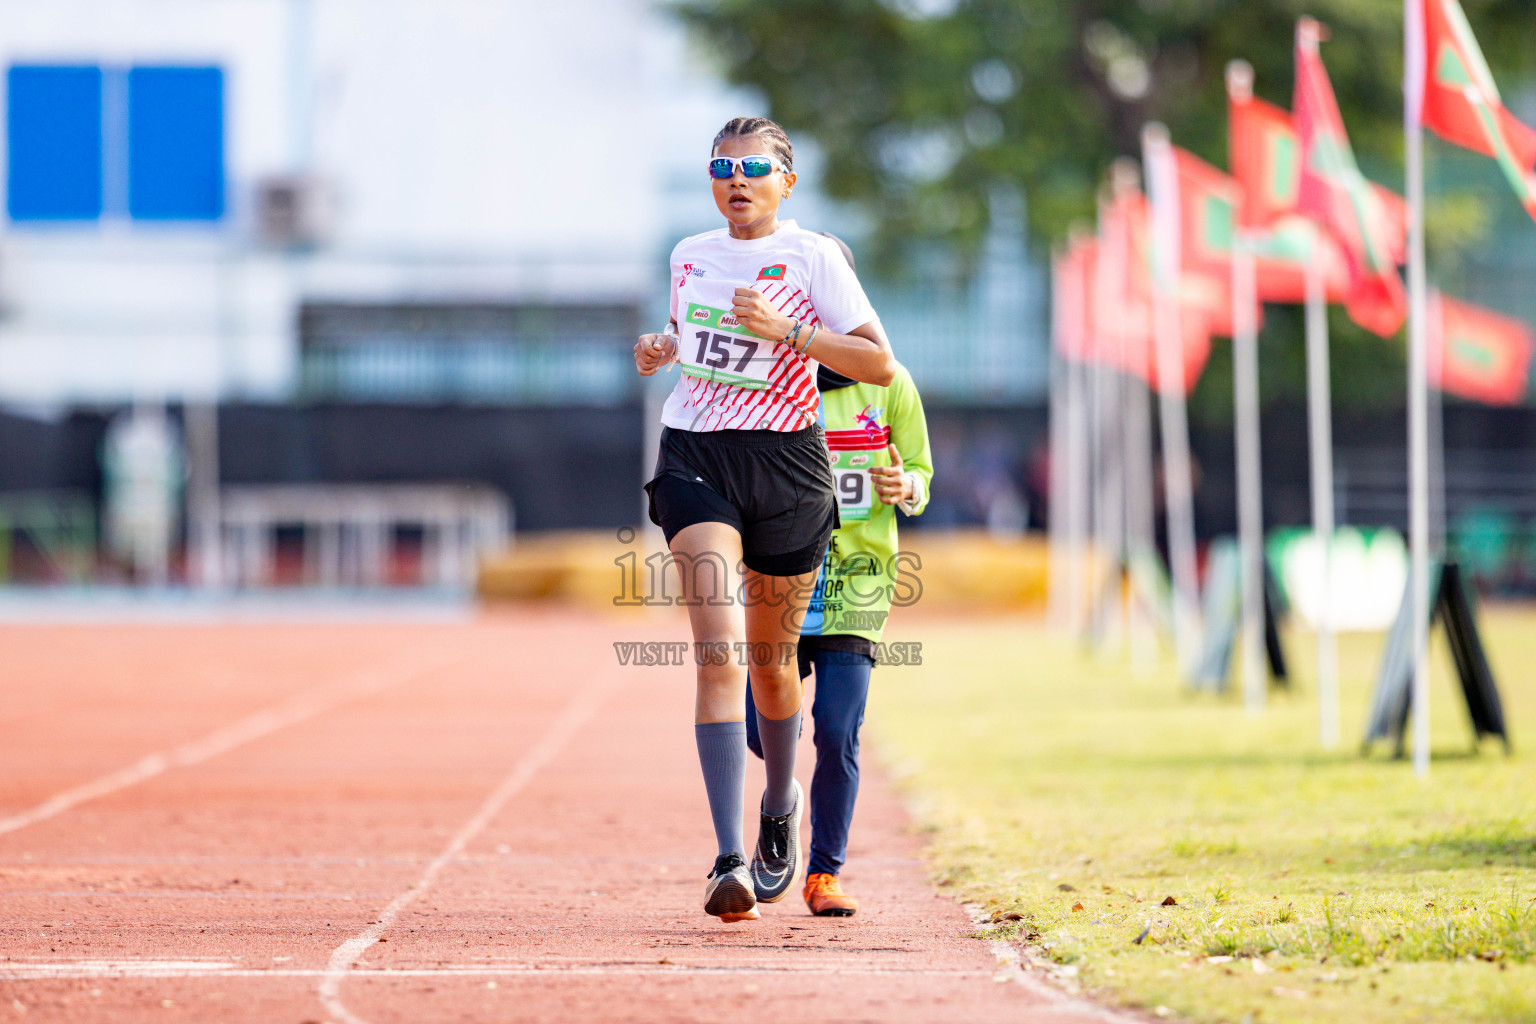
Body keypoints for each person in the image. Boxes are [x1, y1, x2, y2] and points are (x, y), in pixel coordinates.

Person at [633, 117, 896, 923]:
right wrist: (662, 349)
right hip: (698, 454)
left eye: (753, 167)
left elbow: (878, 361)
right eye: (721, 166)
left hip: (786, 464)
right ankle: (726, 860)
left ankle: (781, 802)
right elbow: (691, 335)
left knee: (771, 665)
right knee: (718, 650)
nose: (735, 178)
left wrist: (791, 332)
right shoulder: (688, 254)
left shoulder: (816, 256)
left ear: (787, 180)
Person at [745, 233, 933, 917]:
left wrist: (902, 483)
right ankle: (781, 803)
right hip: (783, 578)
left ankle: (823, 873)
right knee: (759, 731)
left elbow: (923, 477)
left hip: (859, 582)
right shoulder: (769, 381)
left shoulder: (892, 384)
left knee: (836, 728)